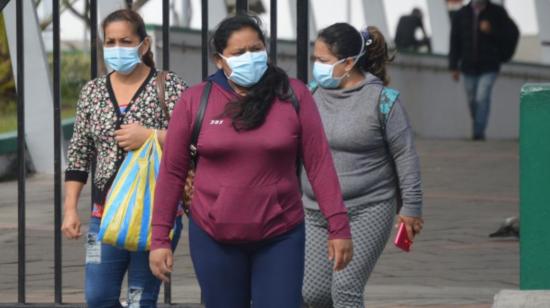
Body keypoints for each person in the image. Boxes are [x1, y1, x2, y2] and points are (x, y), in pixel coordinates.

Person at [149, 15, 353, 308]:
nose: (249, 57)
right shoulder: (195, 101)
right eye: (238, 53)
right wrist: (160, 239)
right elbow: (172, 172)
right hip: (212, 237)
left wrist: (338, 226)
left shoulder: (293, 95)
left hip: (280, 236)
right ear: (219, 60)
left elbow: (319, 163)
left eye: (255, 49)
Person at [61, 9, 187, 307]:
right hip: (103, 215)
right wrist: (69, 209)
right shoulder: (92, 92)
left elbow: (195, 138)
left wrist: (152, 136)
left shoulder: (168, 86)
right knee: (98, 296)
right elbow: (79, 152)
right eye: (111, 41)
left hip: (155, 211)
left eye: (126, 41)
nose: (117, 48)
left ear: (143, 45)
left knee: (141, 297)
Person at [302, 23, 424, 308]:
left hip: (367, 208)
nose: (316, 67)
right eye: (314, 59)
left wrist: (411, 209)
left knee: (345, 288)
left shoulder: (382, 101)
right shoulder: (310, 95)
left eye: (323, 61)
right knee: (313, 294)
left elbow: (406, 156)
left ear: (348, 62)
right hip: (314, 210)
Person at [449, 0, 518, 140]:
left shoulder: (497, 13)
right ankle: (478, 128)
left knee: (482, 97)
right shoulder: (461, 14)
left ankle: (478, 133)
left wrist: (492, 31)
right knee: (472, 100)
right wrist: (453, 66)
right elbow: (454, 41)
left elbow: (512, 34)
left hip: (489, 66)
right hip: (468, 66)